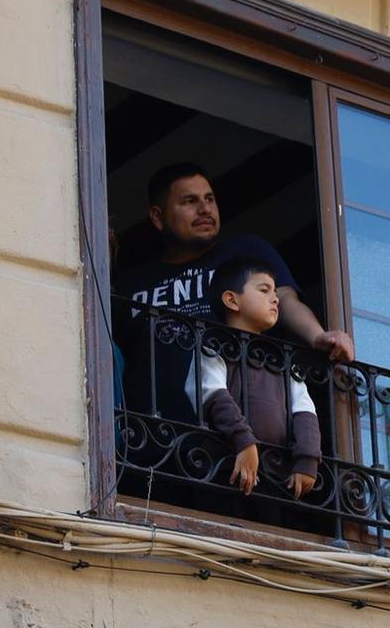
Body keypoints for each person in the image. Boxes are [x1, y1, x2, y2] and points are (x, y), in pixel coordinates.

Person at [114, 161, 355, 422]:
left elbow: (284, 299)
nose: (205, 209)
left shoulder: (244, 251)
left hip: (235, 436)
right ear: (158, 218)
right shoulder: (132, 283)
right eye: (189, 201)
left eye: (209, 199)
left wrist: (318, 336)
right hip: (152, 439)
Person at [195, 260, 321, 501]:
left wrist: (307, 460)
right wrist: (244, 442)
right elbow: (212, 394)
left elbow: (304, 410)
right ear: (232, 300)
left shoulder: (281, 359)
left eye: (275, 292)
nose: (275, 299)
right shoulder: (214, 346)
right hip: (225, 469)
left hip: (276, 476)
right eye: (264, 290)